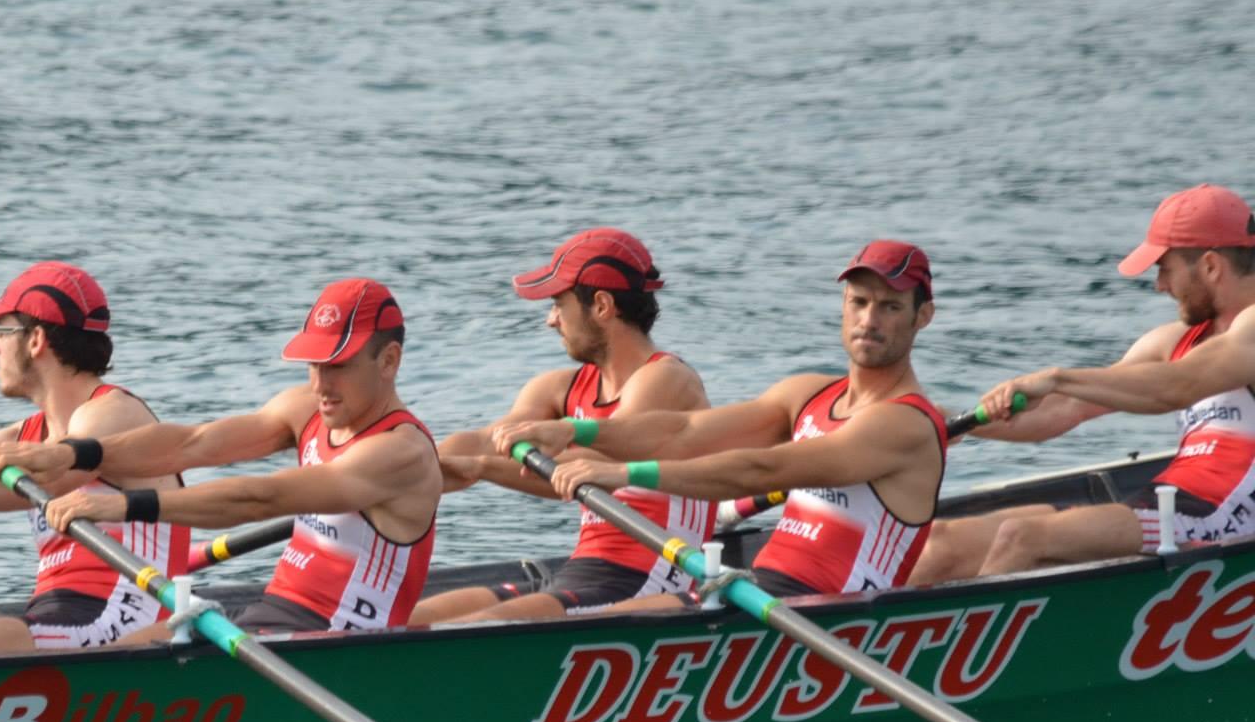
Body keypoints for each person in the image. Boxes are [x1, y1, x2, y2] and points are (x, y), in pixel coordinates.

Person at [0, 278, 441, 637]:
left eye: (337, 366)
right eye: (313, 364)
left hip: (339, 639)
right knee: (139, 643)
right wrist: (75, 455)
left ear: (389, 361)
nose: (320, 384)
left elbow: (261, 498)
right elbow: (193, 443)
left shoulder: (398, 452)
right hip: (275, 612)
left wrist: (122, 505)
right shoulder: (308, 409)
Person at [500, 242, 947, 600]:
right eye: (859, 302)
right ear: (844, 306)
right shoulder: (806, 393)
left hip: (834, 611)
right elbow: (683, 432)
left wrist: (625, 473)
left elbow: (763, 469)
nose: (869, 320)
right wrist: (577, 429)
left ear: (922, 316)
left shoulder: (904, 424)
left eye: (890, 307)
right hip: (759, 592)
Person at [911, 184, 1255, 580]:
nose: (1159, 285)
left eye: (1165, 268)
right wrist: (956, 423)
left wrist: (1056, 378)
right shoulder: (1174, 341)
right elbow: (1066, 408)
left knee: (1021, 538)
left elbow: (1176, 387)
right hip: (1173, 505)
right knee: (943, 542)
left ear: (1210, 266)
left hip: (1229, 519)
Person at [0, 263, 189, 657]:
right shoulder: (10, 441)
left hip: (129, 620)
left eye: (0, 331)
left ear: (36, 340)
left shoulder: (114, 415)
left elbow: (50, 478)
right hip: (59, 616)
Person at [414, 228, 711, 622]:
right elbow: (482, 440)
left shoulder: (665, 380)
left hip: (654, 578)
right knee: (408, 619)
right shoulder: (558, 388)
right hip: (585, 571)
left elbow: (590, 467)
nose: (550, 320)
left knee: (467, 627)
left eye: (558, 304)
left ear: (602, 306)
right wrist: (401, 470)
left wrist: (481, 469)